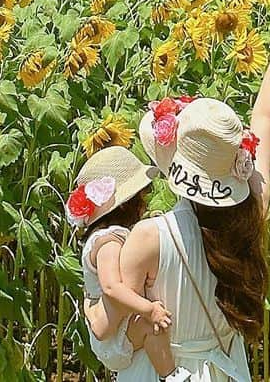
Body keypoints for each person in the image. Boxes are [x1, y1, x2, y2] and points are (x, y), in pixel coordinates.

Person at [116, 0, 270, 382]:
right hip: (227, 370)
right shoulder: (252, 209)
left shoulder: (149, 237)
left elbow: (124, 342)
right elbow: (265, 118)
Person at [67, 146, 181, 380]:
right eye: (140, 197)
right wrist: (150, 309)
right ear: (125, 204)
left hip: (111, 331)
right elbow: (111, 286)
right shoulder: (109, 240)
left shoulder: (104, 236)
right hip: (114, 337)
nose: (144, 204)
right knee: (152, 327)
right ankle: (172, 376)